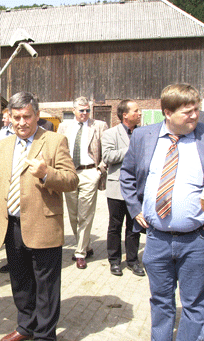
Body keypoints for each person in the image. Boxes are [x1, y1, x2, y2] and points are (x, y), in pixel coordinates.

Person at [0, 92, 78, 341]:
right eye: (16, 117)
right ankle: (25, 326)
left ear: (37, 115)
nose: (21, 122)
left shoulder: (54, 140)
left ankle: (45, 335)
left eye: (27, 116)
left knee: (46, 287)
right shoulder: (3, 145)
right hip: (12, 225)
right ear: (9, 117)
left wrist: (47, 173)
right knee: (20, 282)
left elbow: (71, 180)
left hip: (43, 225)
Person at [120, 83, 204, 341]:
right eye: (187, 112)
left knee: (194, 305)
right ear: (167, 112)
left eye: (196, 110)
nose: (194, 116)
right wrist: (135, 209)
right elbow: (127, 175)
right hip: (156, 240)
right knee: (161, 301)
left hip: (196, 240)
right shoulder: (144, 137)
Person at [57, 97, 108, 269]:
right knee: (73, 214)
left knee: (85, 214)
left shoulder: (99, 126)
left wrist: (99, 170)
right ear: (74, 111)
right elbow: (58, 150)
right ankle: (85, 244)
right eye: (81, 110)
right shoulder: (64, 127)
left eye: (87, 110)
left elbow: (107, 150)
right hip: (70, 173)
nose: (85, 113)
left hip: (89, 172)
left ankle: (80, 253)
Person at [102, 100, 145, 277]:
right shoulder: (110, 134)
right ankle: (114, 260)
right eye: (136, 111)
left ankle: (133, 261)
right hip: (117, 187)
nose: (140, 113)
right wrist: (131, 149)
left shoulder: (143, 133)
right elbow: (107, 156)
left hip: (137, 188)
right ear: (125, 115)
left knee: (134, 226)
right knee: (115, 225)